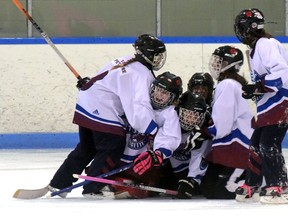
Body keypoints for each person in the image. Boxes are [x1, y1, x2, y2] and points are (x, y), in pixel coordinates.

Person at [47, 34, 167, 198]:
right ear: (147, 53)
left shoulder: (126, 59)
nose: (159, 59)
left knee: (87, 147)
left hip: (87, 101)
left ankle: (59, 183)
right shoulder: (142, 74)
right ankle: (93, 187)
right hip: (102, 108)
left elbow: (103, 80)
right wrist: (152, 129)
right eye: (157, 55)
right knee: (113, 145)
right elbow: (138, 109)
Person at [234, 8, 288, 204]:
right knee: (256, 144)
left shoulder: (266, 44)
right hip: (269, 103)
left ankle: (280, 186)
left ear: (248, 28)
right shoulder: (255, 48)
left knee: (268, 143)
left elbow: (282, 73)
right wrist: (255, 89)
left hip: (282, 101)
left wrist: (258, 86)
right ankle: (253, 184)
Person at [111, 71, 183, 199]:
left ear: (173, 98)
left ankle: (142, 182)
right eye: (157, 90)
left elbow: (170, 137)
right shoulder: (141, 100)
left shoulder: (169, 114)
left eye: (165, 93)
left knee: (148, 169)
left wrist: (157, 155)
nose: (159, 95)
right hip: (122, 153)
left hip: (143, 158)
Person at [197, 45, 254, 199]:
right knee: (208, 188)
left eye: (219, 61)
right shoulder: (231, 84)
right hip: (234, 147)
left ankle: (256, 180)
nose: (215, 64)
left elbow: (222, 126)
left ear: (230, 64)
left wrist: (204, 130)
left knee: (216, 191)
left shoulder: (227, 85)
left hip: (238, 148)